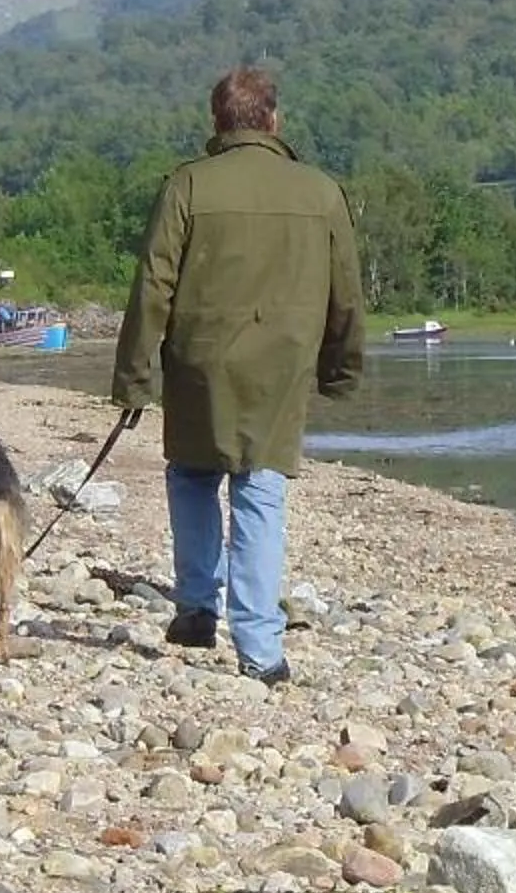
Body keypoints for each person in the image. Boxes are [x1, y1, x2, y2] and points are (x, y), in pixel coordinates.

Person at [111, 65, 363, 685]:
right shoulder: (322, 192)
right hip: (282, 365)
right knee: (259, 489)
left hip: (199, 360)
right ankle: (259, 649)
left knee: (193, 474)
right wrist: (340, 369)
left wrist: (135, 377)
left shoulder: (187, 186)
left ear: (217, 122)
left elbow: (153, 286)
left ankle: (197, 607)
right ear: (274, 120)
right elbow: (347, 296)